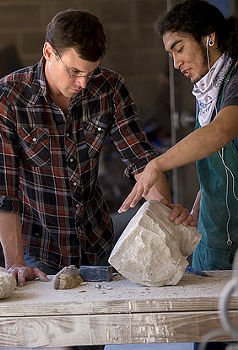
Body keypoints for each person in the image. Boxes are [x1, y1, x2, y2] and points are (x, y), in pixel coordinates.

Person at [0, 8, 190, 288]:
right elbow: (3, 193)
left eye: (90, 73)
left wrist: (165, 215)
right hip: (38, 250)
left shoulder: (109, 88)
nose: (82, 83)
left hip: (97, 243)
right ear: (48, 52)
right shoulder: (5, 99)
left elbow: (142, 161)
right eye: (73, 71)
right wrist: (15, 263)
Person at [120, 0, 238, 273]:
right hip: (214, 239)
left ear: (209, 38)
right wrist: (198, 210)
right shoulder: (207, 90)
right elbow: (219, 164)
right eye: (170, 54)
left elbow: (222, 131)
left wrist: (157, 164)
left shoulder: (233, 80)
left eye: (179, 48)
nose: (175, 63)